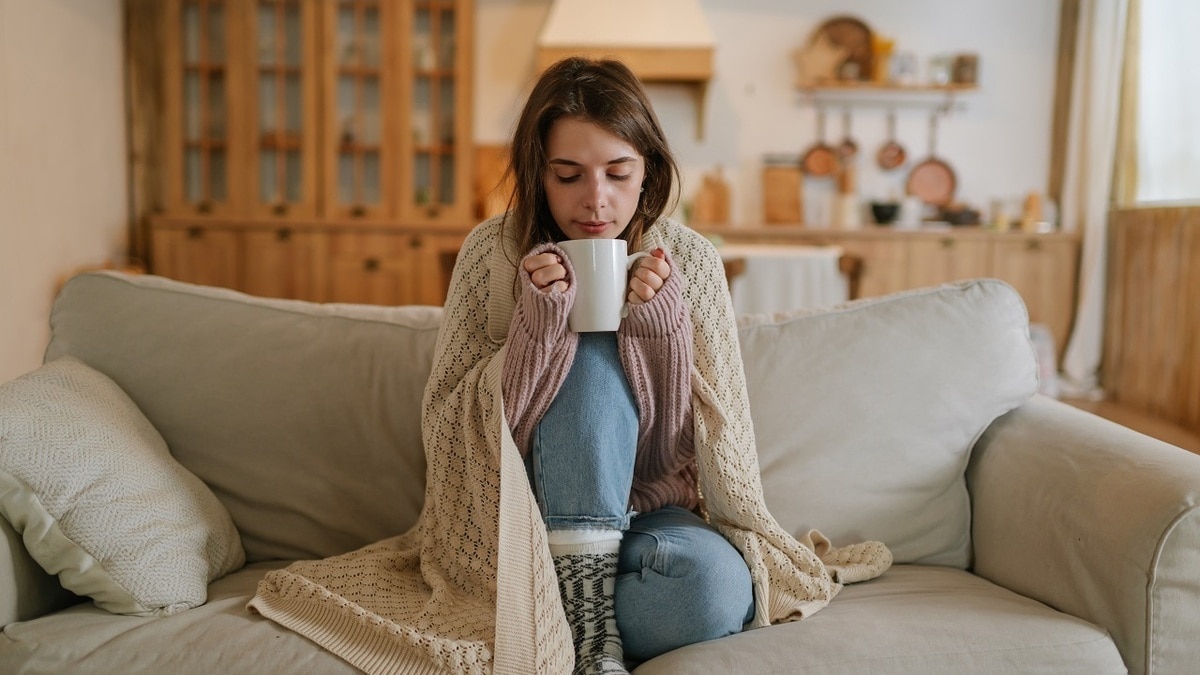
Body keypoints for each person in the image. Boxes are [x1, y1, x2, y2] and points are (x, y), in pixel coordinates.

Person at [248, 57, 890, 675]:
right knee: (583, 349)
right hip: (518, 514)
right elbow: (449, 429)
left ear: (650, 171)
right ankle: (589, 634)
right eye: (568, 175)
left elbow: (707, 442)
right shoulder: (489, 253)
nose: (596, 201)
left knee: (711, 590)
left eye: (618, 172)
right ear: (538, 173)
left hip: (652, 517)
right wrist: (538, 332)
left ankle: (564, 612)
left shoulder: (689, 261)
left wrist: (660, 329)